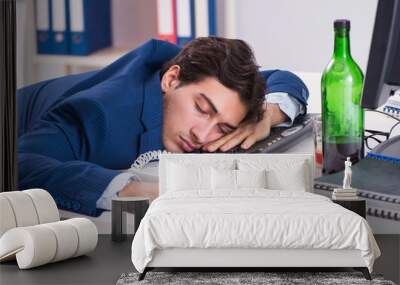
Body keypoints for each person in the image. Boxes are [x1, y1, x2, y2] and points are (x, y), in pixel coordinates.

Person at [17, 37, 309, 216]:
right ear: (171, 79)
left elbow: (283, 78)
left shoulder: (205, 75)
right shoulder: (97, 115)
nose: (203, 136)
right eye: (202, 109)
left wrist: (265, 117)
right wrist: (141, 190)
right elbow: (19, 163)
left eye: (223, 127)